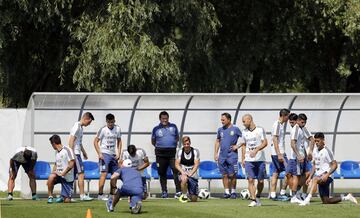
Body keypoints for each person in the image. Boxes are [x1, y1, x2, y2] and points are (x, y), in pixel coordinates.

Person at [300, 132, 358, 206]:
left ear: (323, 141)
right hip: (319, 175)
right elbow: (314, 165)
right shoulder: (315, 150)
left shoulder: (327, 151)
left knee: (315, 179)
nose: (316, 143)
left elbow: (335, 165)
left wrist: (327, 174)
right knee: (326, 201)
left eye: (318, 141)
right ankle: (347, 197)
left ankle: (307, 200)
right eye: (315, 141)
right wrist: (309, 177)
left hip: (327, 176)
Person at [151, 111, 181, 198]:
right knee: (162, 173)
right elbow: (153, 141)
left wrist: (171, 145)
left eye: (166, 118)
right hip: (160, 153)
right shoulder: (156, 129)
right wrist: (161, 146)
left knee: (175, 171)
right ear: (160, 119)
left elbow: (177, 138)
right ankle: (164, 191)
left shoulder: (173, 126)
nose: (165, 120)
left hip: (172, 153)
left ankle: (178, 191)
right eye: (163, 118)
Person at [241, 114, 268, 207]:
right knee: (250, 180)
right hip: (249, 160)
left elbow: (265, 142)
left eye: (244, 121)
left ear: (249, 119)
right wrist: (243, 158)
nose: (243, 123)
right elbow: (244, 145)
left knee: (260, 181)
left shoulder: (260, 130)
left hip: (260, 159)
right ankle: (253, 200)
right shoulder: (244, 132)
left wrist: (256, 150)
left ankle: (258, 196)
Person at [94, 113, 122, 201]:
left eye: (112, 122)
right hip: (104, 153)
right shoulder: (103, 129)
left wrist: (119, 153)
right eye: (109, 122)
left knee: (115, 174)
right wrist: (99, 153)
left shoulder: (117, 129)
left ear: (114, 121)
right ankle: (100, 194)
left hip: (113, 154)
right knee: (104, 173)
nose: (111, 124)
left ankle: (112, 193)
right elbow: (95, 141)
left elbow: (119, 141)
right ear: (106, 121)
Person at [288, 113, 314, 204]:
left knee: (306, 174)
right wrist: (298, 155)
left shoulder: (303, 128)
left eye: (305, 122)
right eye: (302, 122)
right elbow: (292, 144)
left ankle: (298, 193)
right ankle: (294, 196)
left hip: (303, 157)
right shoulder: (296, 129)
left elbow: (312, 139)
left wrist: (310, 152)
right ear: (298, 121)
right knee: (295, 176)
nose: (304, 124)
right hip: (296, 158)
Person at [214, 112, 242, 199]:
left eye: (223, 120)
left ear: (229, 119)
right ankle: (226, 192)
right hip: (222, 156)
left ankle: (233, 192)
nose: (222, 121)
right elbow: (217, 141)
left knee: (232, 175)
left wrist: (237, 146)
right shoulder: (220, 130)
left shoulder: (236, 129)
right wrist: (215, 153)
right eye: (221, 120)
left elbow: (244, 139)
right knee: (224, 174)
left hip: (232, 156)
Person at [68, 112, 94, 201]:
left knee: (73, 174)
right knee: (81, 174)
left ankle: (69, 195)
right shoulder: (77, 127)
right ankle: (82, 196)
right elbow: (71, 141)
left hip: (77, 153)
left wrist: (84, 152)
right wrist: (71, 156)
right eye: (89, 122)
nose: (89, 124)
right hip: (75, 154)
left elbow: (78, 142)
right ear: (86, 119)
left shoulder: (80, 128)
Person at [47, 135, 75, 203]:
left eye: (51, 144)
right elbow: (56, 164)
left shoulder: (67, 150)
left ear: (53, 144)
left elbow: (71, 163)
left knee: (67, 201)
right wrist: (53, 173)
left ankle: (63, 197)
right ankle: (50, 197)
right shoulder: (56, 152)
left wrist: (63, 173)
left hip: (67, 177)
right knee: (51, 177)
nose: (52, 146)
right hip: (59, 175)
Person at [270, 109, 290, 200]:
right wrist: (279, 154)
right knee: (289, 171)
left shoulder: (280, 125)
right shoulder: (277, 124)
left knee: (276, 173)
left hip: (276, 153)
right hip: (279, 153)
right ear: (284, 116)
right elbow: (275, 139)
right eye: (288, 116)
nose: (288, 119)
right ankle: (282, 193)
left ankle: (273, 194)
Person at [175, 136, 200, 203]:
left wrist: (191, 173)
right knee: (184, 179)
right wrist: (183, 172)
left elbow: (196, 164)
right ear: (183, 144)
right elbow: (177, 164)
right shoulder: (179, 152)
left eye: (188, 144)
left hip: (192, 173)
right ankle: (184, 195)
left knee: (194, 199)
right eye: (185, 144)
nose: (186, 146)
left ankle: (191, 193)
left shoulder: (195, 151)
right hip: (183, 172)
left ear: (190, 143)